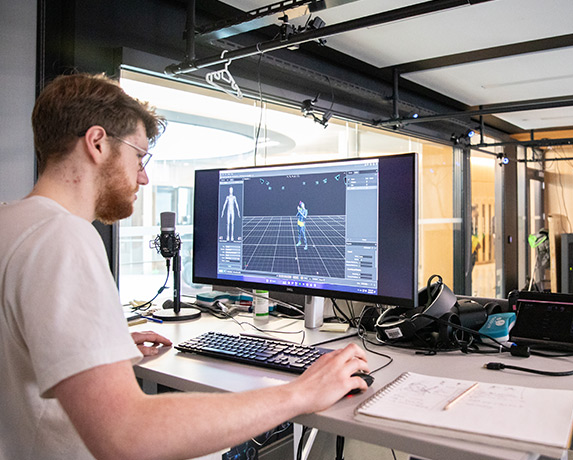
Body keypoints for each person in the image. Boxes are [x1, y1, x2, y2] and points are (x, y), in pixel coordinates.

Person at [0, 73, 370, 459]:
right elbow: (128, 436)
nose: (143, 177)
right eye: (139, 156)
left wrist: (98, 352)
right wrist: (300, 393)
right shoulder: (64, 237)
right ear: (96, 143)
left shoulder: (11, 223)